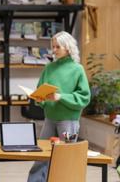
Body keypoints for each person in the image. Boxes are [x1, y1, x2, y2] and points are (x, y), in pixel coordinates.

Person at [27, 31, 91, 182]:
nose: (54, 50)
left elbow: (84, 97)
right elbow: (40, 90)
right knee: (41, 156)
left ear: (68, 48)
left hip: (68, 121)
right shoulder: (49, 68)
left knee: (65, 159)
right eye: (53, 46)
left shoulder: (77, 69)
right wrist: (38, 97)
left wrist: (60, 97)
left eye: (57, 47)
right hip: (50, 118)